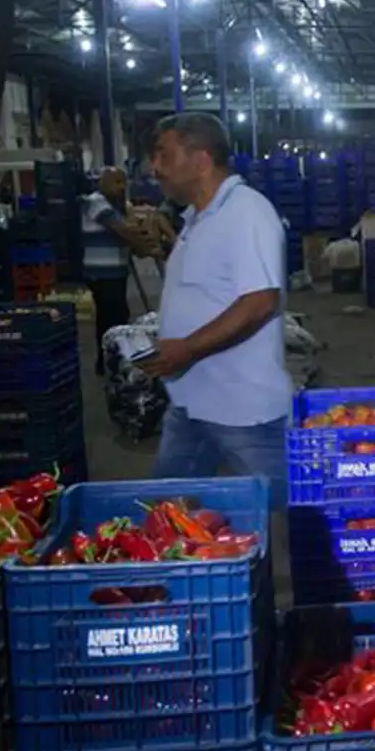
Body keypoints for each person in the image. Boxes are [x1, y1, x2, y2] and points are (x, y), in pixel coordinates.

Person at [138, 112, 292, 509]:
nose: (155, 168)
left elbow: (260, 301)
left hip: (242, 408)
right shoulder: (198, 219)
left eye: (164, 155)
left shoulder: (246, 213)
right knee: (165, 513)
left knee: (291, 512)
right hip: (192, 401)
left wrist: (187, 347)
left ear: (201, 159)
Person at [81, 166, 161, 375]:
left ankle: (111, 361)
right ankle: (108, 363)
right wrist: (148, 245)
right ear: (103, 183)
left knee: (116, 315)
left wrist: (142, 243)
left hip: (116, 272)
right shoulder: (96, 202)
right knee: (112, 317)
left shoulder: (118, 206)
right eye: (116, 182)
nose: (121, 187)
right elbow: (123, 230)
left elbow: (129, 233)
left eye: (123, 183)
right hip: (101, 272)